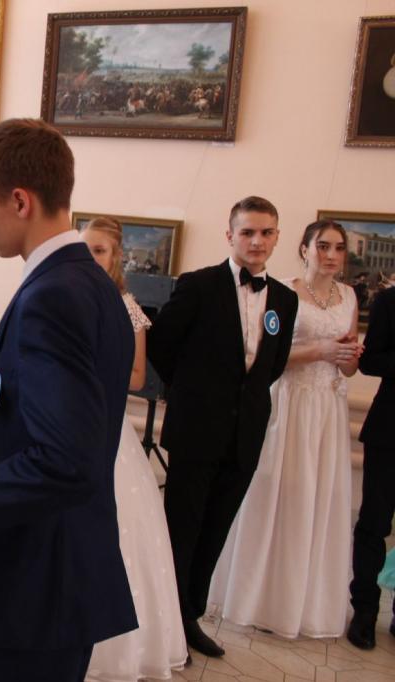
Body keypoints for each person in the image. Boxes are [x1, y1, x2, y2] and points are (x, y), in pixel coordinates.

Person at [0, 118, 138, 681]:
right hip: (66, 560)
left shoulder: (52, 295)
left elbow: (63, 460)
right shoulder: (89, 282)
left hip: (40, 572)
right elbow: (70, 415)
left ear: (19, 201)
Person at [147, 196, 298, 658]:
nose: (257, 241)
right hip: (196, 429)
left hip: (246, 434)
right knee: (182, 529)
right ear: (230, 235)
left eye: (266, 232)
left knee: (215, 530)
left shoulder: (285, 300)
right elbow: (161, 346)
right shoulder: (198, 285)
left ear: (277, 237)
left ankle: (190, 615)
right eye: (247, 232)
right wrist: (193, 393)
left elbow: (272, 365)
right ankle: (165, 622)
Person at [209, 220, 361, 639]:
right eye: (323, 246)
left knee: (317, 498)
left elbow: (349, 365)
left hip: (328, 407)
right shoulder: (283, 291)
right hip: (288, 402)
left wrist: (349, 356)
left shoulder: (349, 296)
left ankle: (302, 603)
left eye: (339, 248)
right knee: (274, 491)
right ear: (304, 248)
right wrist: (320, 349)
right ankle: (256, 596)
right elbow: (270, 355)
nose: (331, 255)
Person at [81, 217, 188, 680]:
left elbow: (139, 377)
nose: (91, 258)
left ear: (116, 257)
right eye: (85, 249)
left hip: (107, 424)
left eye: (100, 251)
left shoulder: (128, 308)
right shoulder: (66, 295)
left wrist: (88, 373)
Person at [347, 284, 395, 649]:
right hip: (390, 430)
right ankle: (364, 609)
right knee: (374, 525)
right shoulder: (388, 301)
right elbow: (370, 360)